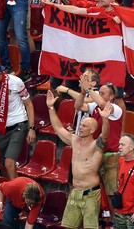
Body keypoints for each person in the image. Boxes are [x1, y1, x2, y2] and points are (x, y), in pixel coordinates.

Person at [46, 90, 111, 229]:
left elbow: (105, 136)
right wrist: (51, 108)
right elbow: (58, 128)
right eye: (80, 125)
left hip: (90, 195)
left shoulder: (96, 146)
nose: (80, 128)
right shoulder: (74, 140)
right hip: (75, 193)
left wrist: (105, 119)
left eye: (84, 126)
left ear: (92, 130)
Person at [0, 61, 34, 180]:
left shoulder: (16, 82)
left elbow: (29, 105)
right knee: (3, 165)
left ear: (0, 74)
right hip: (2, 127)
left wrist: (31, 128)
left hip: (19, 125)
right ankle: (10, 189)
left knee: (9, 163)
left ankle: (19, 194)